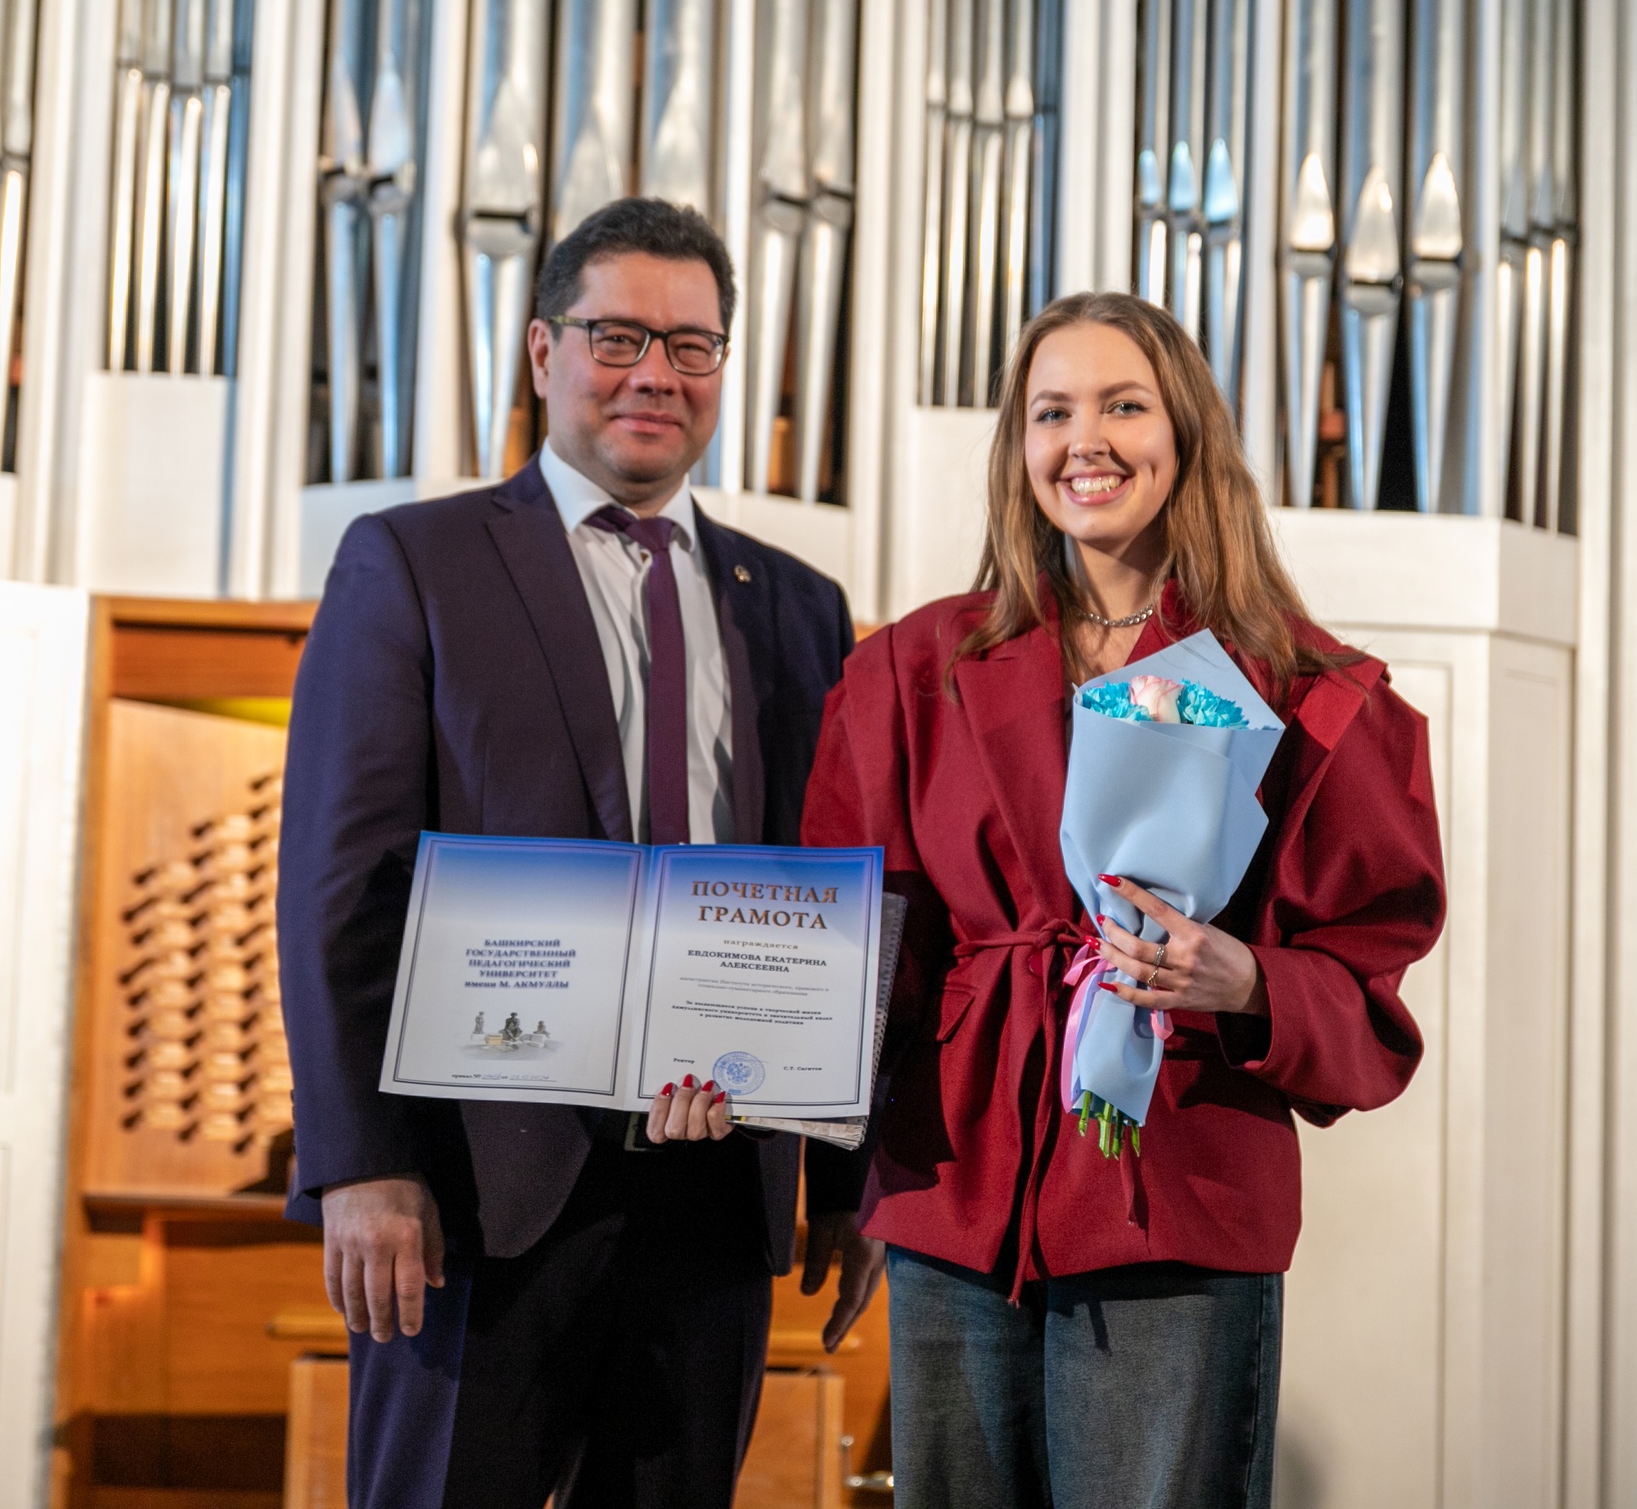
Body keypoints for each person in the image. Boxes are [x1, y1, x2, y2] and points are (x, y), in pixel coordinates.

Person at [279, 197, 881, 1509]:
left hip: (718, 1183)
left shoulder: (797, 606)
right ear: (543, 349)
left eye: (691, 344)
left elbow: (832, 887)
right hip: (476, 1190)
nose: (655, 373)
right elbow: (341, 881)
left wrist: (846, 1173)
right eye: (617, 336)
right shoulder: (415, 561)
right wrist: (363, 1161)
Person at [801, 292, 1446, 1507]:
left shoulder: (1303, 688)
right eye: (1051, 412)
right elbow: (853, 944)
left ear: (1185, 433)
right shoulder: (912, 670)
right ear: (1018, 445)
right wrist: (777, 1102)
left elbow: (1367, 972)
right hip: (956, 1186)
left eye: (1122, 406)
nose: (1083, 441)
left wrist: (1246, 981)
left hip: (1177, 1190)